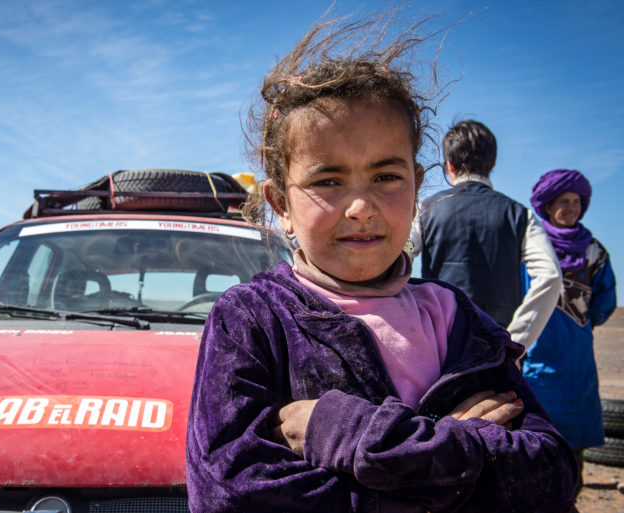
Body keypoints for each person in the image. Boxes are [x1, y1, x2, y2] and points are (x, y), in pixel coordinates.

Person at [186, 13, 576, 513]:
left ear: (416, 188)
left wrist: (349, 434)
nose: (361, 207)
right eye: (328, 181)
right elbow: (230, 493)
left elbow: (550, 474)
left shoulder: (453, 316)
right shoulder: (253, 319)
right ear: (280, 204)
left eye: (387, 177)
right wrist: (453, 460)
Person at [409, 120, 562, 350]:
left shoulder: (425, 210)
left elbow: (403, 252)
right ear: (493, 163)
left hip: (440, 344)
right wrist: (515, 340)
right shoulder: (520, 215)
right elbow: (550, 276)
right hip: (497, 347)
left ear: (448, 165)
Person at [522, 168, 617, 495]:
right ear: (547, 205)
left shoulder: (594, 252)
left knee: (574, 443)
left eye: (577, 201)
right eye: (564, 201)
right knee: (536, 438)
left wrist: (578, 324)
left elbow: (606, 300)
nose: (572, 208)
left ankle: (570, 499)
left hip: (577, 366)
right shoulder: (532, 249)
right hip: (535, 364)